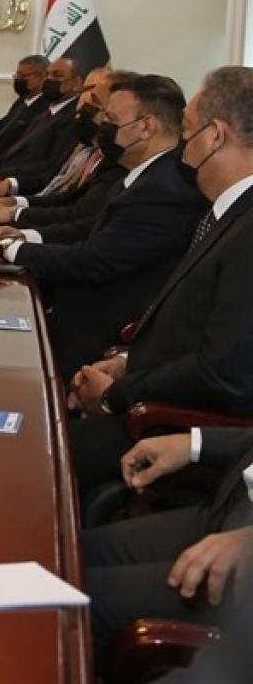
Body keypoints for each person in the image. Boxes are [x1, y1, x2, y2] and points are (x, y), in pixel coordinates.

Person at [67, 66, 253, 492]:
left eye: (186, 130)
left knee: (31, 456)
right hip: (151, 393)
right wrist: (127, 362)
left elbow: (223, 371)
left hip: (172, 424)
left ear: (215, 135)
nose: (181, 148)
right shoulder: (228, 213)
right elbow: (193, 328)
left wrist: (118, 393)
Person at [0, 74, 206, 379]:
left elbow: (93, 260)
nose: (100, 125)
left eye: (110, 119)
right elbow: (89, 227)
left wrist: (9, 250)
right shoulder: (145, 173)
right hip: (77, 308)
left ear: (146, 127)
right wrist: (23, 235)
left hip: (93, 333)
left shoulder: (163, 188)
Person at [84, 426, 253, 668]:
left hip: (241, 584)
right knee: (66, 558)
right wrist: (195, 443)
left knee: (77, 603)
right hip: (232, 509)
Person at [0, 68, 126, 230]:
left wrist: (15, 214)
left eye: (95, 100)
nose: (85, 100)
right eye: (87, 90)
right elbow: (57, 190)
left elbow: (76, 214)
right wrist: (13, 202)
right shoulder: (85, 145)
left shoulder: (115, 163)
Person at [0, 56, 84, 196]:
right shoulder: (47, 112)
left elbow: (51, 166)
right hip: (0, 178)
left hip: (24, 190)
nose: (49, 79)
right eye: (47, 74)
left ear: (77, 83)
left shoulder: (72, 118)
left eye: (57, 75)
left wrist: (7, 177)